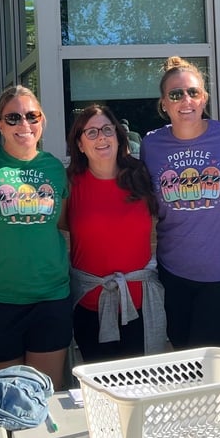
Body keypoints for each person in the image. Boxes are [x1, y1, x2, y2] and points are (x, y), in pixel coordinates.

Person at [0, 86, 71, 390]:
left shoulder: (54, 168)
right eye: (13, 118)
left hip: (50, 296)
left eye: (32, 116)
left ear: (42, 120)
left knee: (47, 392)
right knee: (5, 395)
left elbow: (61, 222)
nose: (24, 124)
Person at [140, 56, 220, 350]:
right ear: (164, 103)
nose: (186, 100)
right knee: (185, 359)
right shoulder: (151, 145)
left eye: (193, 92)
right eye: (175, 94)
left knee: (209, 363)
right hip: (175, 275)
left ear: (204, 98)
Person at [62, 104, 165, 363]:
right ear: (80, 144)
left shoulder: (142, 177)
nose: (102, 137)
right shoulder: (69, 184)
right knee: (98, 384)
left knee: (142, 382)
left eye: (107, 130)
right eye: (92, 132)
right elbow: (61, 223)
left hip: (141, 305)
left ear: (119, 137)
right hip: (90, 305)